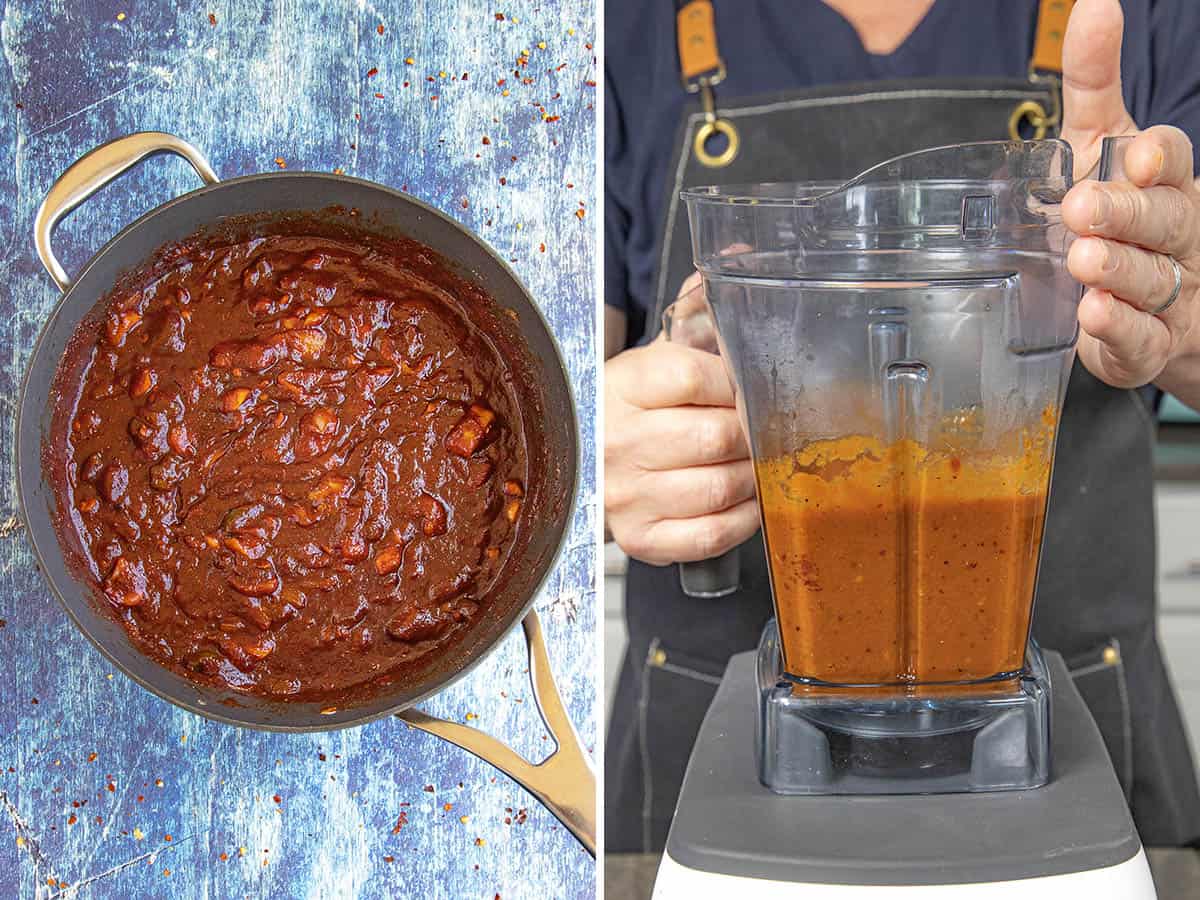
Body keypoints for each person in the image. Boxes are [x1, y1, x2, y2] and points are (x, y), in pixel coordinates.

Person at [605, 0, 1200, 853]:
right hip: (710, 745)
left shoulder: (1149, 18)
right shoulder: (617, 33)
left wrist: (1180, 298)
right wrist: (590, 450)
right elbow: (536, 381)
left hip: (1086, 738)